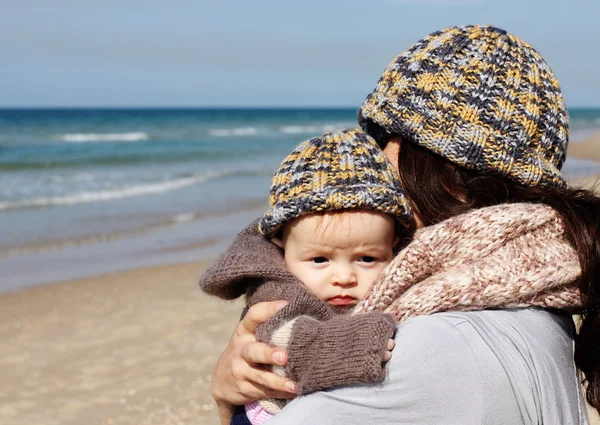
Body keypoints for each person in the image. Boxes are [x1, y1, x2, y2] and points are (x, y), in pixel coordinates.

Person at [209, 24, 600, 424]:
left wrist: (228, 405)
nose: (374, 161)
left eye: (383, 140)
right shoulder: (543, 301)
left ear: (438, 168)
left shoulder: (413, 350)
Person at [200, 128, 412, 424]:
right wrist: (359, 343)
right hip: (266, 414)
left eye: (367, 258)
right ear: (281, 246)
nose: (344, 277)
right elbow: (286, 344)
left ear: (394, 246)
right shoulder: (277, 289)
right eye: (320, 259)